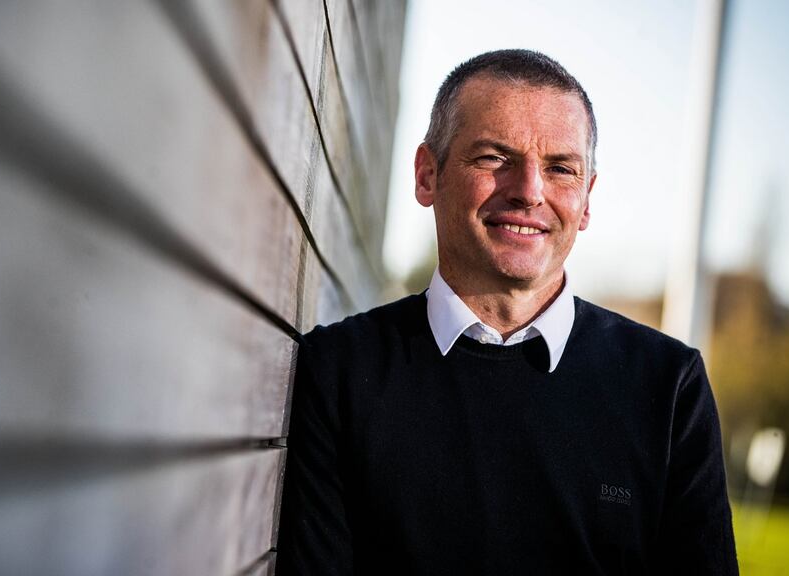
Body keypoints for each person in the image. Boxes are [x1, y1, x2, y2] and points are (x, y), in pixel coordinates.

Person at [276, 49, 738, 574]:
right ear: (428, 175)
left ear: (586, 200)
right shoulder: (337, 371)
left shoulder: (669, 387)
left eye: (561, 168)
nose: (529, 192)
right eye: (495, 158)